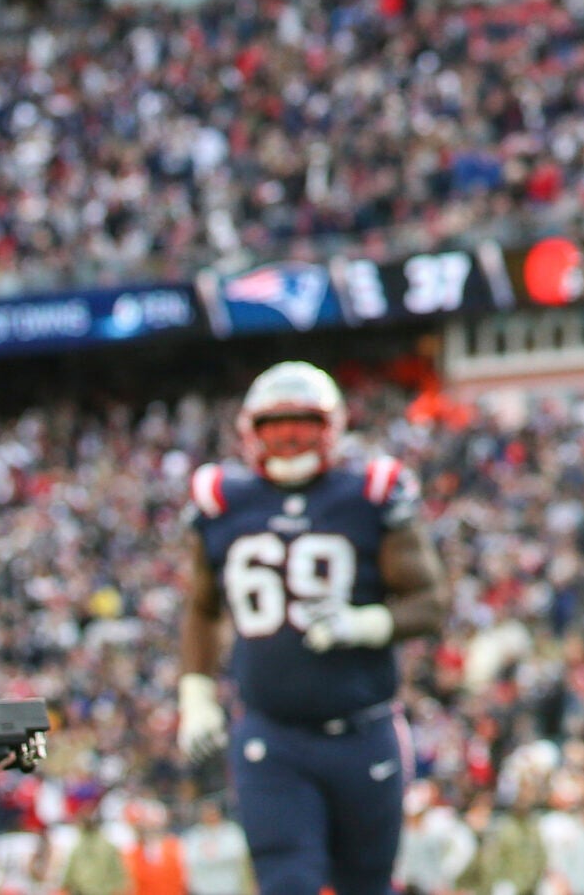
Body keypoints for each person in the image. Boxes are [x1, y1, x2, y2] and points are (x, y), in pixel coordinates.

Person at [175, 363, 448, 895]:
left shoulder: (370, 492)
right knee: (287, 882)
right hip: (271, 734)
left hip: (362, 730)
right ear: (251, 432)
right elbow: (202, 607)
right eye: (276, 426)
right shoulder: (223, 499)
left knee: (366, 885)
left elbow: (430, 602)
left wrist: (366, 623)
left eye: (302, 424)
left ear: (331, 427)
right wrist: (196, 693)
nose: (290, 438)